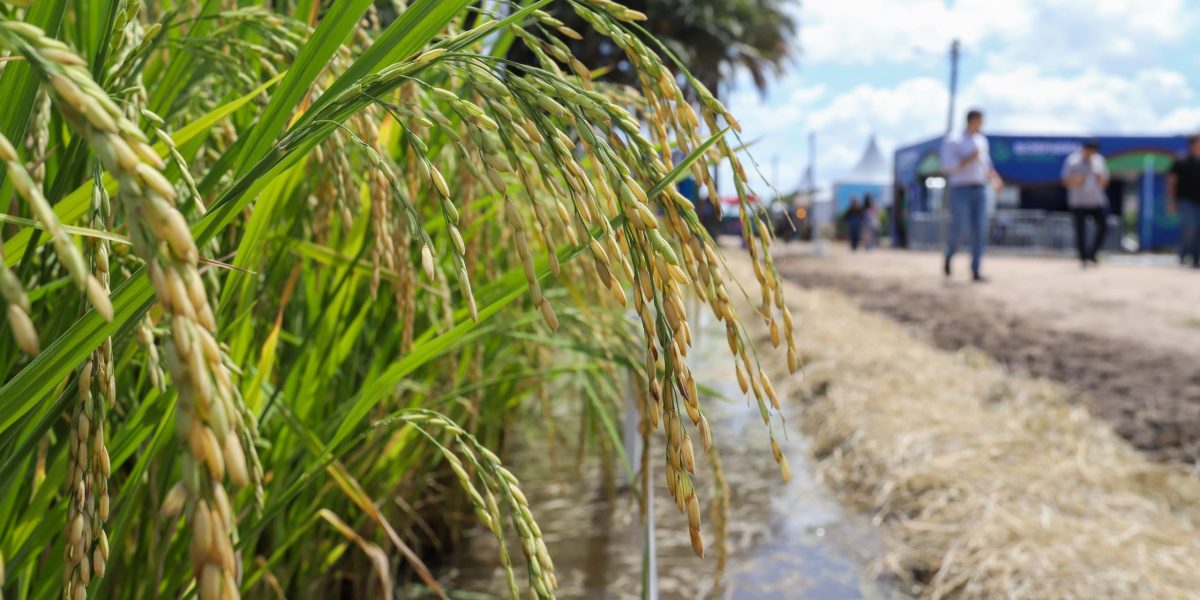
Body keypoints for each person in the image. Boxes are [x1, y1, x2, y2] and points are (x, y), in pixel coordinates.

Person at [941, 109, 1002, 281]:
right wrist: (969, 158)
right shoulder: (954, 140)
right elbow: (947, 166)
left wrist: (995, 179)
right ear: (972, 120)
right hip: (960, 189)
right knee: (959, 227)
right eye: (980, 121)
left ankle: (975, 269)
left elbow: (985, 165)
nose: (982, 125)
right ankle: (949, 254)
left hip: (980, 188)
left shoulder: (981, 141)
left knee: (980, 229)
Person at [1061, 139, 1110, 267]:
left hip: (1097, 201)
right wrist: (1079, 178)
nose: (1091, 153)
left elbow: (1105, 183)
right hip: (1078, 202)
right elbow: (1065, 181)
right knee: (1080, 232)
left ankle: (1092, 254)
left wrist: (1099, 177)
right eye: (1090, 150)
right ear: (1085, 149)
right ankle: (1083, 258)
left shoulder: (1099, 161)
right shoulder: (1073, 161)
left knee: (1104, 227)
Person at [1168, 134, 1200, 269]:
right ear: (1192, 144)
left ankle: (1195, 258)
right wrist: (1172, 200)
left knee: (1198, 230)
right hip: (1186, 200)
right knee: (1190, 228)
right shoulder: (1181, 160)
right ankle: (1182, 254)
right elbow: (1171, 182)